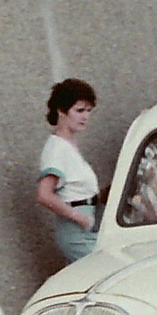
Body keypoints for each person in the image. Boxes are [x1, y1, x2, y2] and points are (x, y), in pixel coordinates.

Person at [36, 78, 103, 263]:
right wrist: (79, 218)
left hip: (89, 222)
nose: (85, 117)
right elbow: (44, 194)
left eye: (89, 111)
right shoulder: (56, 148)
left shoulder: (69, 146)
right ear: (61, 111)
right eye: (79, 110)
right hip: (77, 227)